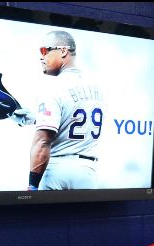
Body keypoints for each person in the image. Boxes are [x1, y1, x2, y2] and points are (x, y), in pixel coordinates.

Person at [29, 30, 104, 190]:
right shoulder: (96, 87)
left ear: (63, 51)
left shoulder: (52, 87)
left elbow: (43, 140)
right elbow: (69, 117)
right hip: (87, 171)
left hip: (56, 170)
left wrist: (32, 185)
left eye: (45, 50)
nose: (41, 57)